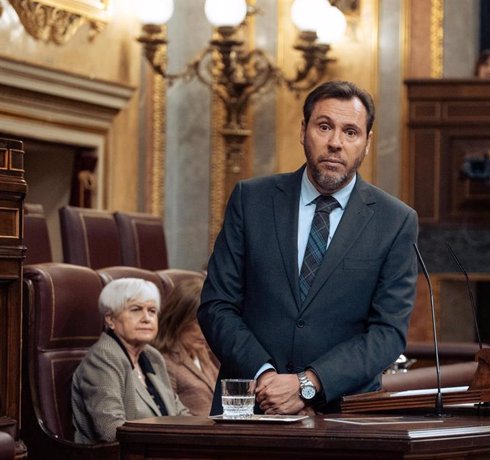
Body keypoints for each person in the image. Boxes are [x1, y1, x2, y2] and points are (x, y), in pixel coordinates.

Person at [198, 80, 419, 416]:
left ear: (367, 143)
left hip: (341, 414)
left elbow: (387, 333)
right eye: (324, 126)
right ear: (303, 130)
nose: (335, 143)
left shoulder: (395, 221)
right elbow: (216, 305)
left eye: (350, 132)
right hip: (250, 407)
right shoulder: (251, 200)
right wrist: (265, 376)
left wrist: (308, 382)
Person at [72, 278, 189, 443]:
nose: (146, 318)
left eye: (152, 311)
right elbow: (110, 429)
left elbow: (178, 413)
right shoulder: (103, 358)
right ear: (110, 319)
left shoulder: (152, 356)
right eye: (136, 309)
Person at [153, 277, 219, 416]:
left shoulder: (201, 352)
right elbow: (168, 414)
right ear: (179, 319)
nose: (207, 330)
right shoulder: (163, 361)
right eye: (199, 323)